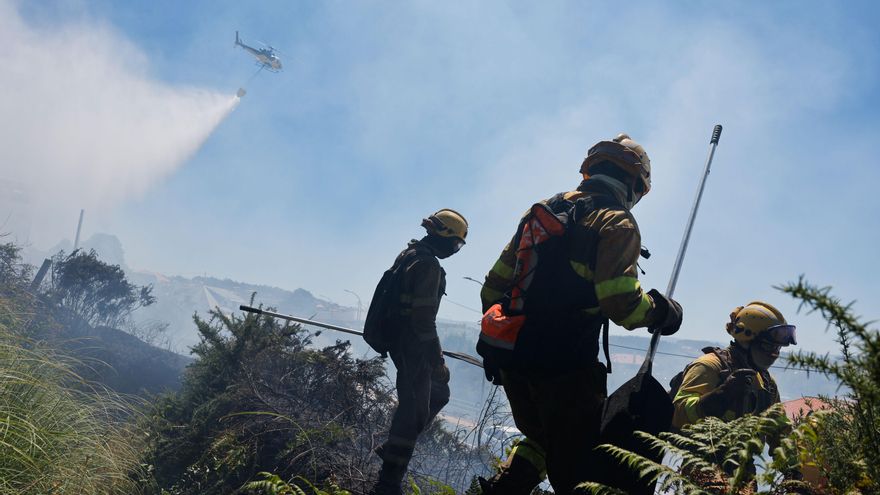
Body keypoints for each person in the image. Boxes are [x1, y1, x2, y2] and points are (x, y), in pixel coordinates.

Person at [477, 134, 683, 495]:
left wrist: (499, 341)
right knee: (580, 474)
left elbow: (493, 288)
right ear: (635, 183)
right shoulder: (616, 223)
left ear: (591, 170)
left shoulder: (541, 211)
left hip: (513, 360)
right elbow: (622, 305)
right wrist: (662, 313)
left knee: (542, 437)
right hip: (566, 369)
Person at [369, 209, 469, 495]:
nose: (455, 250)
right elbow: (423, 321)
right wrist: (437, 362)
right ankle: (388, 482)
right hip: (412, 345)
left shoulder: (410, 254)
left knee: (439, 394)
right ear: (445, 237)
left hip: (400, 340)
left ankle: (391, 449)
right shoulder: (428, 265)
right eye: (457, 244)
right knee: (412, 413)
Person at [671, 301, 797, 429]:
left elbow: (782, 432)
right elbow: (677, 414)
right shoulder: (709, 366)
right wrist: (720, 396)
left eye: (777, 348)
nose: (773, 353)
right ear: (747, 339)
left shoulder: (767, 384)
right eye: (768, 346)